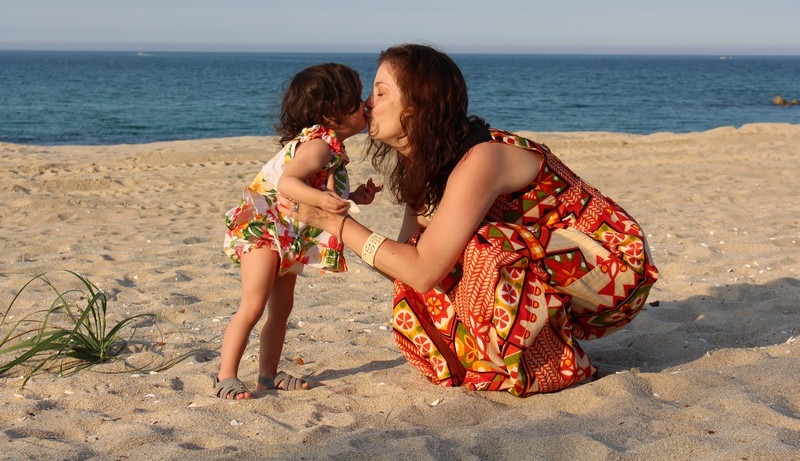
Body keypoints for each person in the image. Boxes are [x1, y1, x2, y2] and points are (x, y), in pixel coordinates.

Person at [279, 44, 659, 397]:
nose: (365, 104)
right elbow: (408, 271)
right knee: (424, 257)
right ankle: (494, 357)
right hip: (556, 262)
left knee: (484, 247)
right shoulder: (428, 165)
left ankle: (554, 366)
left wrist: (335, 223)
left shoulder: (482, 157)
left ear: (416, 104)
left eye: (380, 92)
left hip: (614, 264)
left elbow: (424, 270)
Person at [214, 63, 383, 400]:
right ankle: (225, 376)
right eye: (355, 100)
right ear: (330, 114)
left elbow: (317, 190)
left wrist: (351, 199)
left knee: (282, 310)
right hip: (265, 228)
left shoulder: (333, 150)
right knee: (254, 304)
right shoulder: (319, 145)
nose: (366, 104)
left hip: (290, 236)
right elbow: (288, 182)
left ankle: (266, 375)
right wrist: (321, 197)